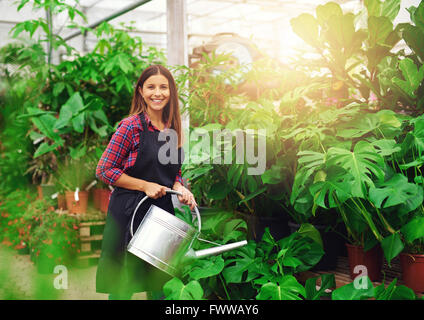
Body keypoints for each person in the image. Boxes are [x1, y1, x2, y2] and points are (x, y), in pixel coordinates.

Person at [95, 64, 197, 300]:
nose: (157, 93)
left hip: (161, 216)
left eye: (163, 87)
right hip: (128, 212)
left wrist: (180, 188)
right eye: (151, 87)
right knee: (123, 284)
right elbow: (104, 169)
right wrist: (144, 185)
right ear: (141, 91)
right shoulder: (130, 127)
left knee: (160, 283)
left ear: (171, 91)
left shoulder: (172, 129)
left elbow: (173, 174)